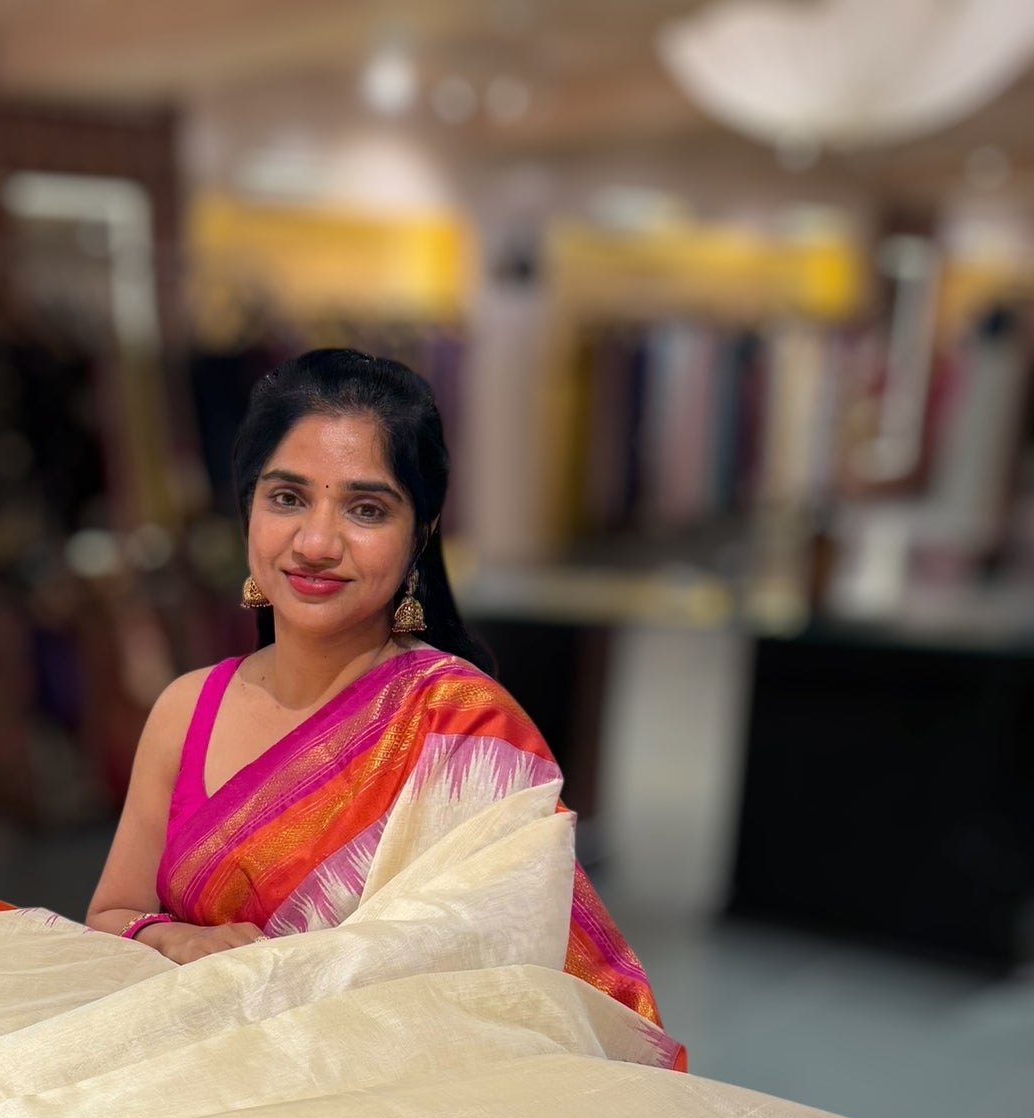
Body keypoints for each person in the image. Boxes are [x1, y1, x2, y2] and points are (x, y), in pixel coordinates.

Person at [86, 347, 671, 1046]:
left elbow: (523, 994)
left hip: (381, 1116)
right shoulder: (186, 708)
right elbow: (110, 915)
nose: (315, 541)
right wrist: (171, 937)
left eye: (365, 508)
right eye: (287, 497)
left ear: (420, 534)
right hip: (177, 1081)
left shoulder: (465, 732)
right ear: (248, 511)